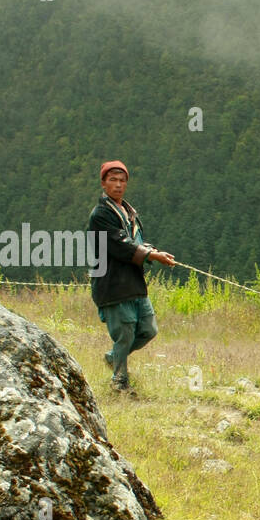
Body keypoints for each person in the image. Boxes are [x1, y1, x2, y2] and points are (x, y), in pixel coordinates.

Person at [87, 160, 175, 391]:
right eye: (113, 180)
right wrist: (153, 257)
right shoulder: (100, 215)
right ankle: (120, 382)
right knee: (124, 334)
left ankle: (113, 357)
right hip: (113, 284)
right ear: (103, 184)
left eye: (122, 180)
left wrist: (152, 251)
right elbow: (119, 245)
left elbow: (134, 243)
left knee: (148, 329)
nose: (118, 185)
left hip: (133, 282)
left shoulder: (129, 212)